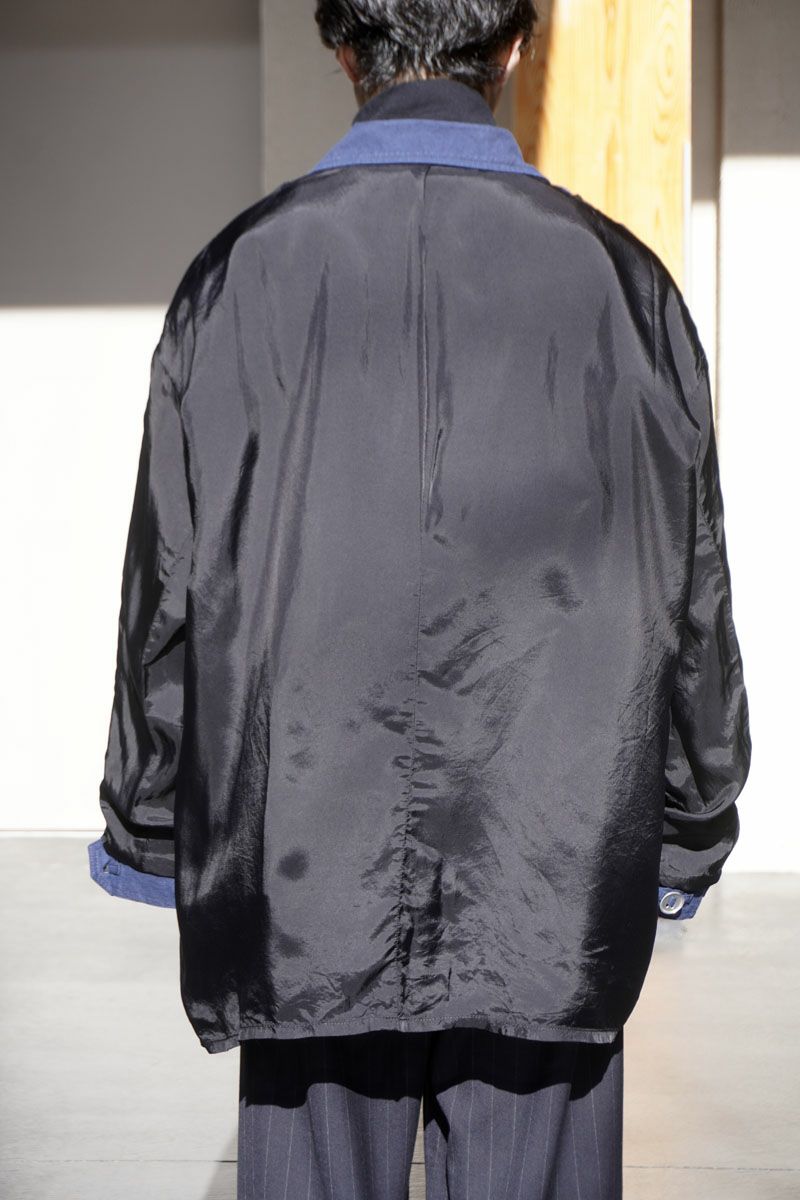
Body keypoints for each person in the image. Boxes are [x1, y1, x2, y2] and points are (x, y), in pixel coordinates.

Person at [87, 1, 752, 1196]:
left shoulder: (238, 277)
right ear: (514, 45)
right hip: (551, 872)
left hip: (300, 876)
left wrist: (149, 821)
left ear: (343, 48)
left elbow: (168, 581)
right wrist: (687, 824)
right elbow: (687, 588)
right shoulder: (623, 288)